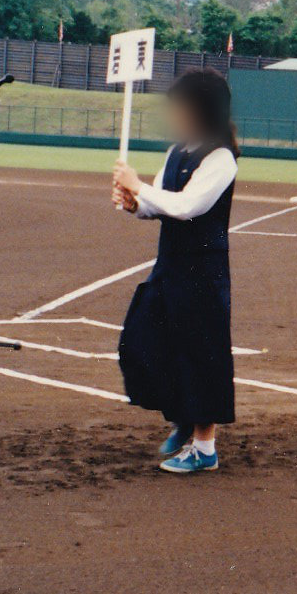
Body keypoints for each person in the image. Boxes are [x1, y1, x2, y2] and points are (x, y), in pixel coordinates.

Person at [112, 68, 239, 473]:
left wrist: (139, 185)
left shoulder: (221, 158)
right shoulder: (176, 152)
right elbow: (159, 204)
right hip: (171, 265)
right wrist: (135, 202)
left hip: (204, 273)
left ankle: (205, 449)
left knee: (202, 355)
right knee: (145, 341)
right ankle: (185, 415)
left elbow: (187, 206)